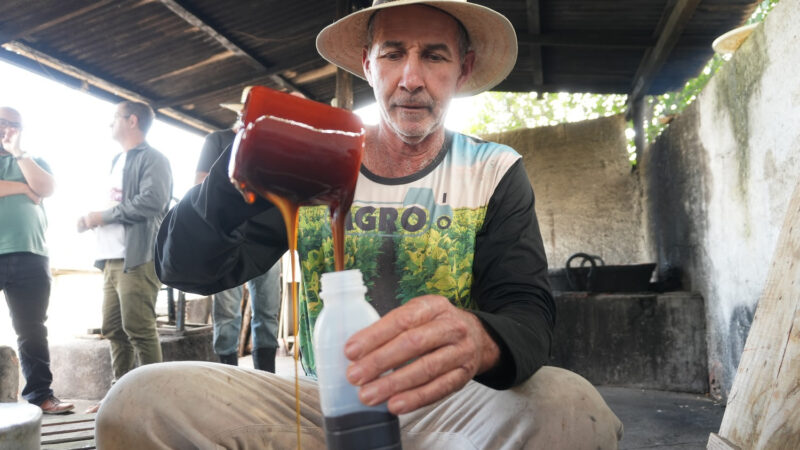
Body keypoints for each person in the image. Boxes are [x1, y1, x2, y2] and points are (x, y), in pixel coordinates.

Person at [96, 1, 623, 448]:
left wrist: (482, 340)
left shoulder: (493, 171)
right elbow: (184, 269)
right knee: (137, 400)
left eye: (434, 56)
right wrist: (235, 175)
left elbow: (529, 314)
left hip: (451, 407)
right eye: (393, 53)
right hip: (319, 406)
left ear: (462, 70)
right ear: (366, 64)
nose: (411, 78)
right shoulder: (313, 155)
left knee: (570, 405)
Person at [77, 101, 172, 398]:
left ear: (132, 121)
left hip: (137, 257)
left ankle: (153, 400)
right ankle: (120, 397)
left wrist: (101, 216)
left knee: (140, 330)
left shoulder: (154, 158)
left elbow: (153, 201)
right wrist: (92, 219)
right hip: (110, 258)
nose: (109, 124)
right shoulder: (117, 160)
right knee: (114, 329)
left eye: (113, 118)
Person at [195, 93, 282, 371]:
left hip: (266, 238)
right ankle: (227, 373)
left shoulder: (273, 145)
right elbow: (200, 183)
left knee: (267, 309)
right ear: (242, 112)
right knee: (227, 310)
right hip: (227, 234)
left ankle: (266, 375)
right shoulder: (217, 140)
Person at [0, 106, 74, 414]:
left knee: (31, 330)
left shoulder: (32, 160)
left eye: (16, 125)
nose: (9, 129)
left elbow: (46, 188)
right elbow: (31, 190)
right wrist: (21, 188)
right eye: (4, 123)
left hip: (32, 255)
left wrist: (18, 153)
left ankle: (41, 395)